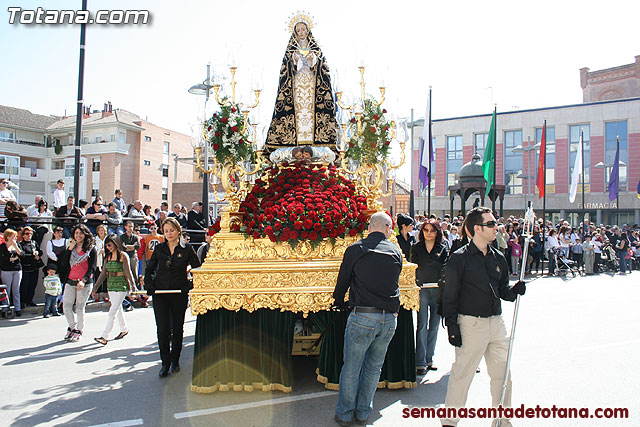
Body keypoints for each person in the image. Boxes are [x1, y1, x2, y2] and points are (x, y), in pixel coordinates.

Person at [441, 207, 526, 427]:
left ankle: (502, 422)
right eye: (490, 224)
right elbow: (449, 296)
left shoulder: (498, 257)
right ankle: (450, 421)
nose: (495, 226)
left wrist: (515, 290)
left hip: (496, 324)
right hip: (470, 323)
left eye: (495, 222)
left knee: (503, 375)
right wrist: (452, 327)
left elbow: (503, 292)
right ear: (477, 229)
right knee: (462, 375)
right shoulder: (458, 259)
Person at [332, 212, 402, 426]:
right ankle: (363, 412)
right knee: (374, 367)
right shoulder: (395, 251)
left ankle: (345, 413)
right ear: (389, 228)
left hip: (363, 314)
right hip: (388, 318)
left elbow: (343, 279)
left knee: (352, 366)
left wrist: (338, 300)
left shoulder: (356, 249)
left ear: (370, 227)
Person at [265, 13, 337, 151]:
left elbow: (324, 71)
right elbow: (285, 72)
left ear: (307, 30)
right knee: (297, 110)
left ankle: (316, 143)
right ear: (295, 33)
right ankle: (294, 145)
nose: (301, 32)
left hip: (312, 88)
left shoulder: (316, 50)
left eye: (303, 30)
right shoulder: (290, 50)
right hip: (297, 87)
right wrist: (294, 60)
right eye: (298, 30)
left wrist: (313, 59)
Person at [144, 217, 201, 377]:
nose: (169, 233)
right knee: (162, 330)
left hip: (178, 294)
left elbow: (198, 271)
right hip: (160, 294)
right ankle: (165, 362)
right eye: (166, 231)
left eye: (172, 230)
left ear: (178, 231)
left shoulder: (187, 249)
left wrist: (188, 286)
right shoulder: (159, 249)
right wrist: (149, 285)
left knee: (177, 329)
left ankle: (175, 360)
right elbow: (149, 269)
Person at [410, 218, 447, 375]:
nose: (429, 233)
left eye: (432, 230)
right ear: (422, 231)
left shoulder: (443, 247)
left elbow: (446, 266)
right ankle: (420, 361)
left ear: (437, 232)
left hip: (438, 290)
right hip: (422, 289)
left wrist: (443, 280)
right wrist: (417, 280)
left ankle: (429, 358)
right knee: (422, 324)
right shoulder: (416, 248)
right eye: (426, 230)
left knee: (434, 325)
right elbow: (414, 267)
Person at [91, 235, 136, 345]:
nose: (108, 247)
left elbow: (128, 272)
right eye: (106, 245)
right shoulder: (108, 257)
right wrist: (95, 288)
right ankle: (124, 329)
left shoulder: (123, 256)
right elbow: (103, 274)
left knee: (113, 311)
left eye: (110, 245)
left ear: (115, 243)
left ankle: (105, 336)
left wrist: (133, 287)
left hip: (121, 285)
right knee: (118, 309)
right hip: (111, 285)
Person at [58, 224, 97, 342]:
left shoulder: (91, 249)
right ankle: (72, 326)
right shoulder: (71, 248)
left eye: (80, 233)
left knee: (80, 307)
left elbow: (92, 268)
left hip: (83, 282)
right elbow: (63, 264)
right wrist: (69, 249)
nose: (78, 236)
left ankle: (79, 330)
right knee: (66, 306)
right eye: (76, 233)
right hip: (70, 280)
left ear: (85, 234)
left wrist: (84, 280)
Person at [0, 229, 23, 316]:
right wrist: (12, 259)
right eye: (13, 237)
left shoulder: (17, 245)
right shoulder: (2, 247)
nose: (15, 238)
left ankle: (17, 308)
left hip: (17, 269)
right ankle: (5, 308)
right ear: (8, 237)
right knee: (7, 290)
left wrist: (15, 246)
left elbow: (21, 254)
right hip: (6, 270)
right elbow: (3, 259)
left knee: (16, 290)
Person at [19, 227, 43, 308]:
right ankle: (23, 301)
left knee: (33, 285)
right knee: (24, 286)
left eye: (30, 234)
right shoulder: (21, 244)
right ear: (23, 235)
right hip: (25, 268)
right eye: (27, 234)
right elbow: (22, 255)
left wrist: (38, 254)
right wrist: (32, 256)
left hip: (34, 267)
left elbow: (40, 251)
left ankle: (30, 300)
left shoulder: (34, 243)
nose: (29, 235)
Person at [94, 224, 109, 303]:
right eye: (100, 230)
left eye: (102, 230)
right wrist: (99, 251)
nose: (101, 232)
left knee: (106, 278)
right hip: (98, 260)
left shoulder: (107, 239)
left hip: (106, 260)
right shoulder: (95, 239)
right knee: (97, 278)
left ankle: (104, 296)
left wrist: (105, 251)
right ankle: (97, 296)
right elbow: (93, 248)